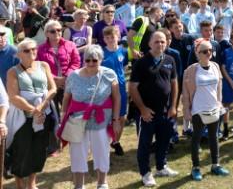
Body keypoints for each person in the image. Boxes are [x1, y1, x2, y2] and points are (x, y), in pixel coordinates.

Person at [59, 44, 121, 189]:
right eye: (87, 60)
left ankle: (102, 182)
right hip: (78, 121)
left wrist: (116, 119)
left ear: (101, 59)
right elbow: (66, 97)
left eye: (94, 60)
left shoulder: (109, 74)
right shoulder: (74, 76)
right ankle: (79, 185)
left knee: (102, 152)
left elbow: (117, 98)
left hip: (101, 120)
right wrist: (63, 115)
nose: (91, 63)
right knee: (77, 153)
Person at [129, 31, 179, 187]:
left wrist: (173, 106)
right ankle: (145, 173)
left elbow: (174, 84)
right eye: (157, 42)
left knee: (164, 140)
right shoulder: (141, 63)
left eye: (163, 41)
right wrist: (143, 109)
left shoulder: (170, 60)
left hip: (165, 111)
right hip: (147, 114)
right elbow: (132, 88)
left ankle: (161, 167)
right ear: (149, 43)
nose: (160, 44)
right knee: (145, 144)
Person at [6, 38, 57, 189]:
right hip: (23, 118)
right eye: (27, 50)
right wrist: (34, 110)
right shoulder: (13, 72)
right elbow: (13, 97)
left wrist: (41, 107)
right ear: (19, 54)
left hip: (43, 115)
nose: (32, 52)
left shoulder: (44, 65)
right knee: (21, 151)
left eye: (34, 48)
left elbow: (53, 88)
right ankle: (20, 184)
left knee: (39, 150)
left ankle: (32, 183)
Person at [182, 39, 230, 181]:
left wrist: (219, 103)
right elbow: (185, 94)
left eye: (210, 50)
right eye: (204, 51)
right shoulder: (191, 71)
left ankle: (215, 165)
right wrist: (186, 110)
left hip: (214, 109)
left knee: (214, 137)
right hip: (198, 110)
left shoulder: (215, 66)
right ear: (197, 53)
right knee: (196, 138)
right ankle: (195, 168)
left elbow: (219, 86)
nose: (208, 53)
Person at [36, 19, 80, 118]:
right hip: (50, 85)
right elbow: (39, 66)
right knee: (52, 114)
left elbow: (76, 63)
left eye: (59, 30)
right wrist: (54, 79)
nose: (57, 32)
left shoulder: (71, 45)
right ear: (46, 33)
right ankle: (54, 132)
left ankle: (69, 132)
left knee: (70, 112)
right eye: (53, 31)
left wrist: (65, 77)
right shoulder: (40, 49)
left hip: (68, 83)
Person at [101, 25, 129, 156]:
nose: (111, 39)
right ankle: (104, 145)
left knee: (122, 117)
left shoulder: (123, 51)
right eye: (107, 37)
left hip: (121, 88)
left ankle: (116, 141)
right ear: (104, 39)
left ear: (117, 37)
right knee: (108, 117)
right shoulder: (101, 53)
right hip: (106, 90)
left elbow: (124, 67)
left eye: (113, 36)